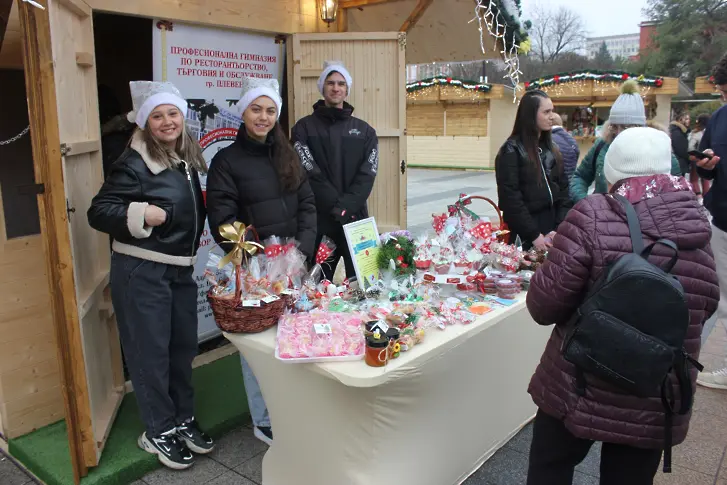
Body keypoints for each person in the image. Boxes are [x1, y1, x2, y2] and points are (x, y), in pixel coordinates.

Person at [525, 127, 719, 485]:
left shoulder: (591, 215)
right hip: (655, 391)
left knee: (549, 470)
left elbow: (543, 305)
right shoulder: (697, 225)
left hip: (578, 381)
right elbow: (704, 306)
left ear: (610, 169)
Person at [87, 81, 214, 470]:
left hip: (177, 271)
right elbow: (99, 211)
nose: (167, 121)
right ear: (144, 122)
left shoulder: (185, 157)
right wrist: (141, 214)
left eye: (172, 113)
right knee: (151, 352)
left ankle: (182, 418)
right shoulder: (134, 161)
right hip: (142, 269)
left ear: (182, 117)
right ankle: (158, 429)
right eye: (157, 116)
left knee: (181, 349)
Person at [206, 77, 317, 445]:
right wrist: (258, 261)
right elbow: (222, 218)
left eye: (271, 110)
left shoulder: (287, 154)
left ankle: (295, 405)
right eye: (257, 109)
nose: (263, 117)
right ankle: (264, 418)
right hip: (256, 272)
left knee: (296, 336)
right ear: (244, 111)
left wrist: (298, 251)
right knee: (257, 344)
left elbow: (307, 205)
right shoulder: (226, 160)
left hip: (294, 267)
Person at [291, 60, 378, 280]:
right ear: (322, 87)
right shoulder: (303, 128)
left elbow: (367, 174)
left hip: (354, 220)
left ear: (347, 89)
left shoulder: (365, 131)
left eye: (341, 83)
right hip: (320, 221)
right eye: (330, 83)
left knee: (363, 285)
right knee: (317, 286)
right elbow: (307, 170)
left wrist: (346, 207)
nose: (336, 88)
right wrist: (336, 206)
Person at [570, 81, 682, 202]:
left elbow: (677, 193)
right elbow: (580, 177)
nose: (619, 132)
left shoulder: (660, 151)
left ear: (640, 126)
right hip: (603, 217)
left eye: (626, 127)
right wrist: (585, 203)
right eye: (614, 126)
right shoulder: (602, 146)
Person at [494, 89, 572, 251]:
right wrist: (534, 235)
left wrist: (558, 229)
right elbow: (510, 200)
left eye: (552, 111)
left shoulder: (552, 149)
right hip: (525, 234)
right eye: (546, 112)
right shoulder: (511, 151)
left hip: (553, 230)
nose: (552, 116)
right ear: (530, 115)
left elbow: (564, 191)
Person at [694, 52, 727, 389]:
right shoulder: (719, 119)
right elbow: (708, 161)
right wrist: (706, 165)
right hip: (723, 217)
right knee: (722, 294)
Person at [550, 113, 580, 184]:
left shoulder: (549, 139)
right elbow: (577, 152)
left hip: (558, 184)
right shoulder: (571, 138)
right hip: (571, 182)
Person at [688, 114, 711, 198]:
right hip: (708, 158)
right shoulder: (711, 132)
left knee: (694, 179)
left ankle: (698, 196)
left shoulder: (696, 133)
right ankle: (706, 196)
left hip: (696, 158)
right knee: (706, 179)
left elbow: (691, 146)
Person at [669, 111, 691, 176]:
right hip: (679, 164)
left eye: (689, 119)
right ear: (680, 120)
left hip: (679, 162)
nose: (688, 121)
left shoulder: (679, 131)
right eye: (686, 119)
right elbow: (681, 150)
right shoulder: (677, 132)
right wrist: (688, 157)